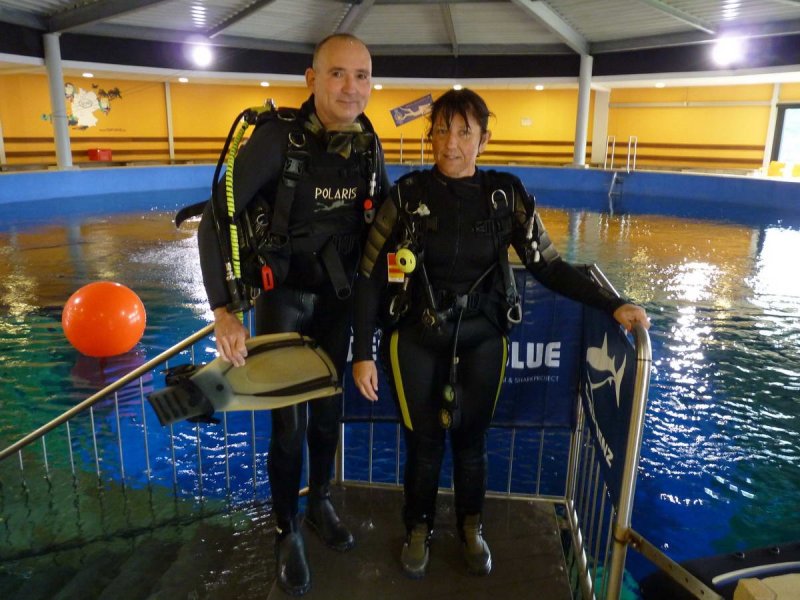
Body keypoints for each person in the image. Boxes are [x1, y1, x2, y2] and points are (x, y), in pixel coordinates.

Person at [351, 88, 649, 579]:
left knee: (471, 442)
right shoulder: (405, 196)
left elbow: (548, 267)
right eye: (442, 129)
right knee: (423, 444)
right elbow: (368, 275)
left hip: (484, 339)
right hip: (416, 340)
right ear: (430, 135)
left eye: (464, 131)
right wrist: (363, 351)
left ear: (483, 139)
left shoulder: (505, 196)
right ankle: (418, 528)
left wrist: (613, 304)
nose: (451, 142)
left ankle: (471, 527)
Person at [197, 33, 389, 596]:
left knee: (328, 417)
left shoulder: (367, 143)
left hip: (337, 300)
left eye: (361, 76)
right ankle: (286, 528)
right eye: (337, 74)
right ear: (312, 79)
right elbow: (216, 220)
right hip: (282, 299)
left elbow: (381, 230)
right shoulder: (275, 139)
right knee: (288, 426)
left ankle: (319, 503)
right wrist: (224, 311)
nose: (351, 87)